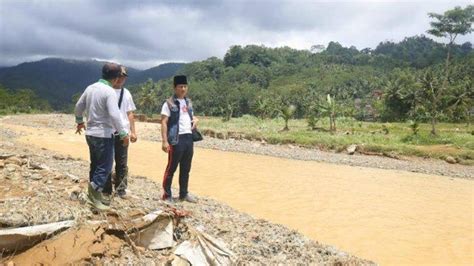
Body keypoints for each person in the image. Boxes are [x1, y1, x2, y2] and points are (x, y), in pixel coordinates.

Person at [74, 62, 129, 211]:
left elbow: (79, 106)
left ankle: (96, 197)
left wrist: (79, 122)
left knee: (96, 164)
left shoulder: (90, 88)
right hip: (103, 135)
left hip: (90, 134)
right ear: (117, 77)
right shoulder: (109, 91)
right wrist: (123, 133)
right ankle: (91, 195)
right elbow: (115, 115)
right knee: (105, 167)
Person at [161, 75, 199, 203]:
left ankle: (184, 194)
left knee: (186, 168)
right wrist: (164, 141)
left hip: (189, 137)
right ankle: (167, 195)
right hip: (176, 139)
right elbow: (164, 122)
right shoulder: (169, 103)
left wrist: (196, 120)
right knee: (171, 168)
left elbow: (191, 117)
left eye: (185, 86)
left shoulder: (188, 102)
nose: (183, 89)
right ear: (175, 87)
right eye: (180, 86)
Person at [103, 66, 137, 200]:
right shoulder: (106, 91)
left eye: (123, 77)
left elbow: (130, 113)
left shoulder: (126, 93)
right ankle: (106, 189)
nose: (120, 79)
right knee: (107, 162)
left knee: (122, 162)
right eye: (119, 76)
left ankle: (121, 189)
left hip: (123, 132)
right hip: (107, 132)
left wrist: (133, 131)